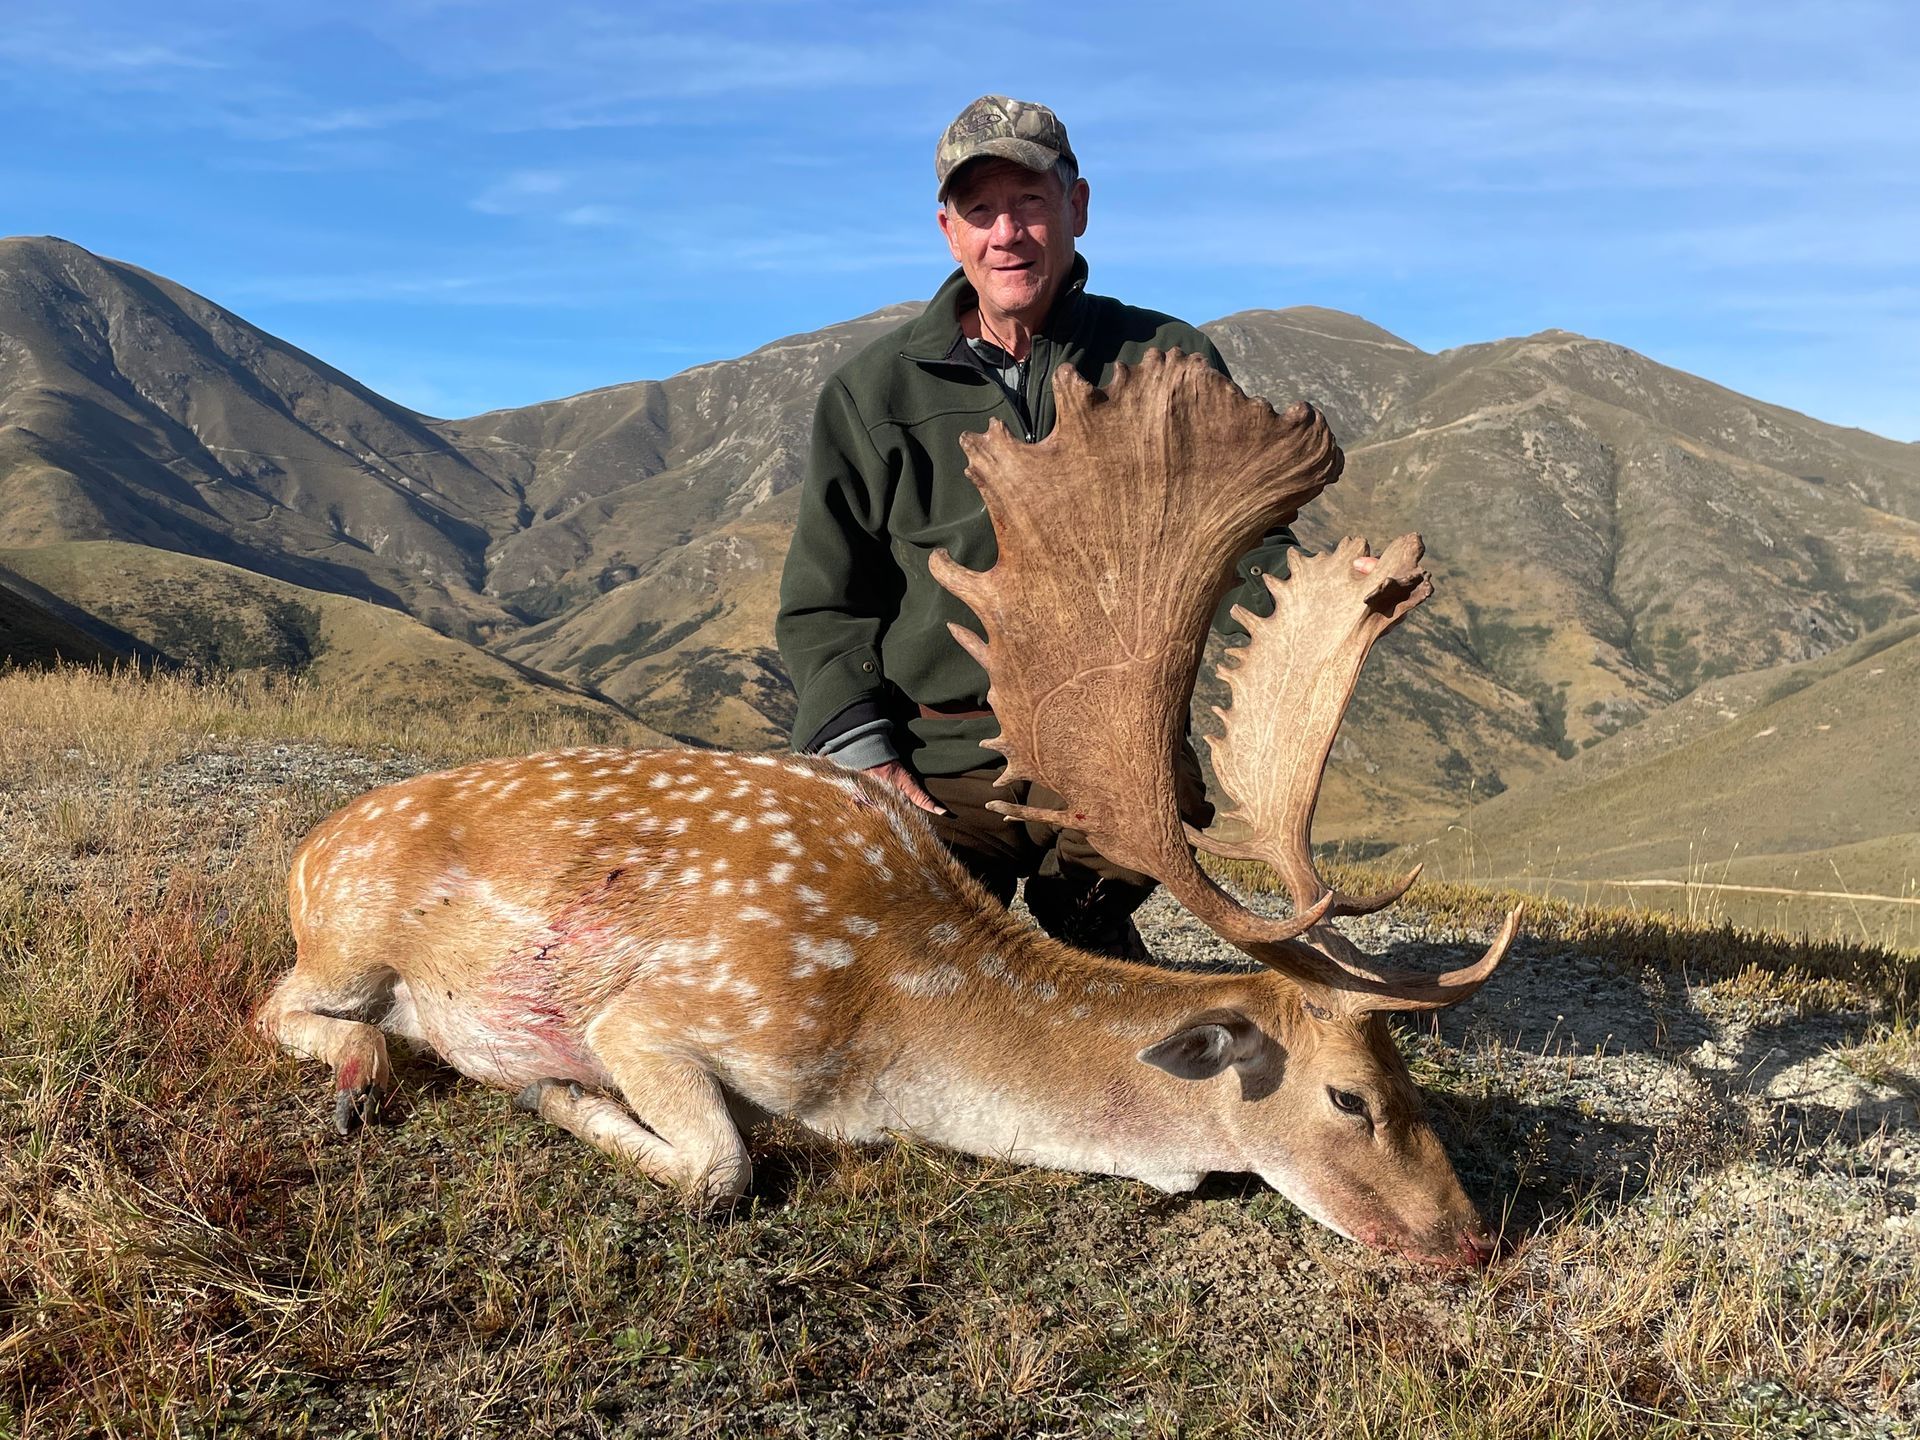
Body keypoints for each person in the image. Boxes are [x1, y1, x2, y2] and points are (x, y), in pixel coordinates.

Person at [775, 95, 1297, 958]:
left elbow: (1244, 534)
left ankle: (1083, 927)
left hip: (1109, 746)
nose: (1006, 233)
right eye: (981, 211)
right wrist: (869, 760)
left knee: (1114, 877)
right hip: (938, 758)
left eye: (1029, 203)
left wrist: (1300, 617)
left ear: (1077, 208)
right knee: (921, 960)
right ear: (949, 231)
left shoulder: (1162, 360)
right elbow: (824, 607)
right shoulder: (872, 396)